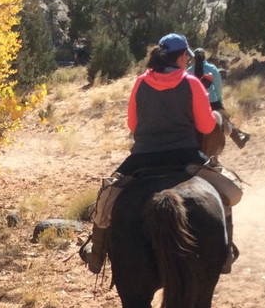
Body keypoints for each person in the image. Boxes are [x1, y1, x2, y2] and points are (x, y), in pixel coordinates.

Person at [82, 33, 241, 277]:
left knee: (107, 196)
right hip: (186, 156)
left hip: (143, 157)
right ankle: (225, 254)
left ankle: (97, 254)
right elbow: (207, 126)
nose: (187, 60)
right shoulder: (192, 83)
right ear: (181, 57)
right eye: (186, 56)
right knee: (228, 193)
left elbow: (132, 125)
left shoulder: (140, 83)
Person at [188, 48, 250, 149]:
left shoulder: (189, 71)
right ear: (204, 57)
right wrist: (220, 103)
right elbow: (218, 88)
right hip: (212, 102)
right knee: (225, 119)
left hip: (195, 104)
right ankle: (239, 140)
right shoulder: (212, 68)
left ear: (194, 58)